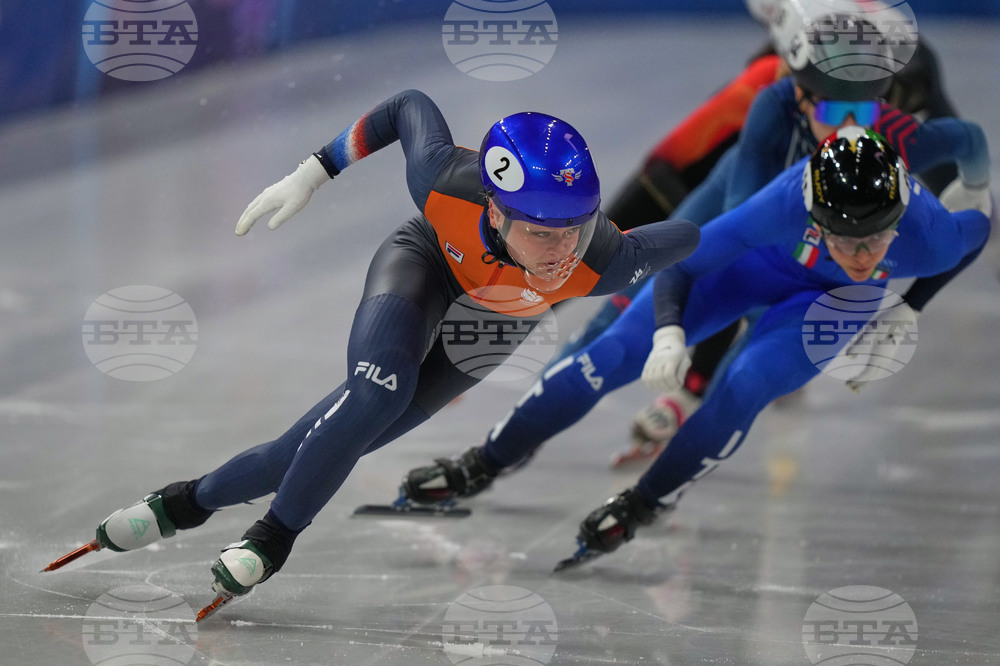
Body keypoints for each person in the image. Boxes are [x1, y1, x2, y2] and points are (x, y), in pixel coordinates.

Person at [44, 90, 700, 615]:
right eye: (540, 232)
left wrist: (670, 324)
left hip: (496, 321)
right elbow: (405, 106)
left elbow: (699, 236)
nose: (562, 252)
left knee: (326, 443)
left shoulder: (607, 260)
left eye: (575, 228)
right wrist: (314, 170)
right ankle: (271, 541)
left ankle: (182, 503)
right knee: (375, 394)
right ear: (495, 213)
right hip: (424, 267)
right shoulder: (444, 181)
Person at [398, 127, 992, 566]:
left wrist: (910, 308)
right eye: (842, 239)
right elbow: (683, 268)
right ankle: (484, 461)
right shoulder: (785, 203)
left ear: (900, 226)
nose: (860, 258)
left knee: (748, 384)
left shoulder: (932, 236)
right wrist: (669, 332)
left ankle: (645, 502)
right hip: (759, 265)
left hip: (830, 305)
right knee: (611, 356)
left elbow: (978, 223)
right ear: (815, 219)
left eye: (875, 243)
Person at [541, 5, 991, 467]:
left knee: (761, 297)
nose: (856, 121)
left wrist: (959, 208)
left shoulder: (903, 101)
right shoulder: (766, 88)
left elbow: (945, 164)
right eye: (839, 98)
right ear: (801, 86)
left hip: (788, 202)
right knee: (648, 284)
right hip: (707, 183)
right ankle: (555, 393)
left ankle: (688, 402)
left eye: (874, 98)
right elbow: (682, 165)